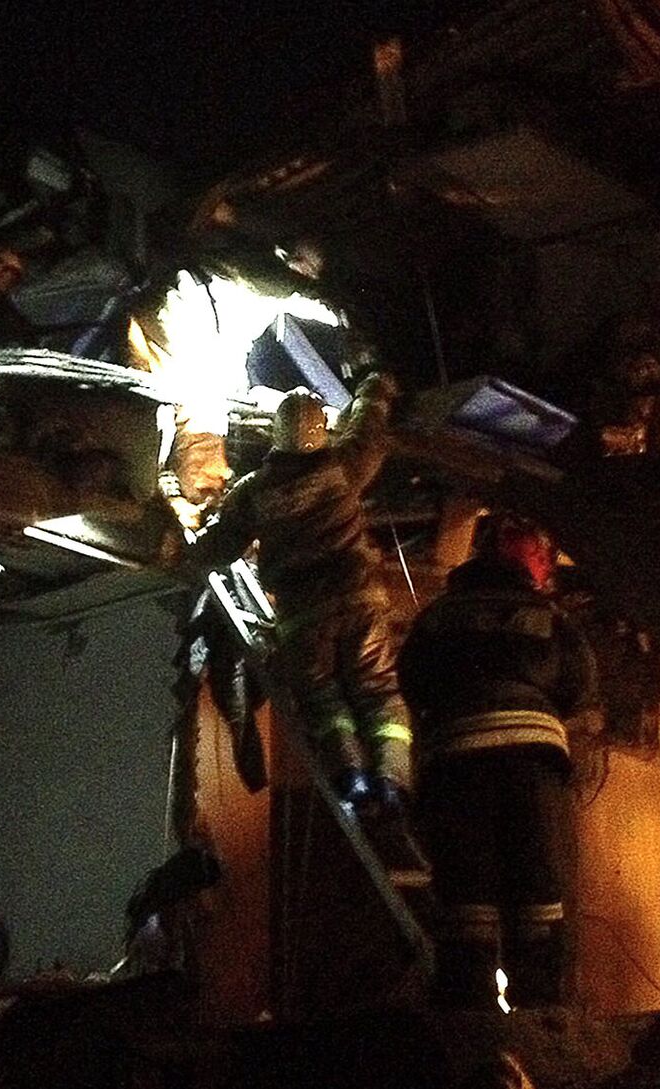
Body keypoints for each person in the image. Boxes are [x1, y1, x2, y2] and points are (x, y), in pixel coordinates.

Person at [193, 377, 425, 876]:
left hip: (304, 620)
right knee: (381, 698)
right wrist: (376, 393)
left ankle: (353, 783)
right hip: (360, 605)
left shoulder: (254, 493)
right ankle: (391, 789)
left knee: (327, 705)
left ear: (276, 435)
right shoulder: (343, 468)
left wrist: (176, 551)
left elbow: (215, 548)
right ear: (321, 434)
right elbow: (369, 432)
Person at [398, 513, 597, 1011]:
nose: (548, 565)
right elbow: (580, 686)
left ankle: (473, 1038)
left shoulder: (437, 617)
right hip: (534, 769)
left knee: (468, 907)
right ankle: (541, 1035)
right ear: (523, 559)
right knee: (539, 903)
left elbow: (413, 681)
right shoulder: (553, 621)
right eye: (543, 554)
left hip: (456, 768)